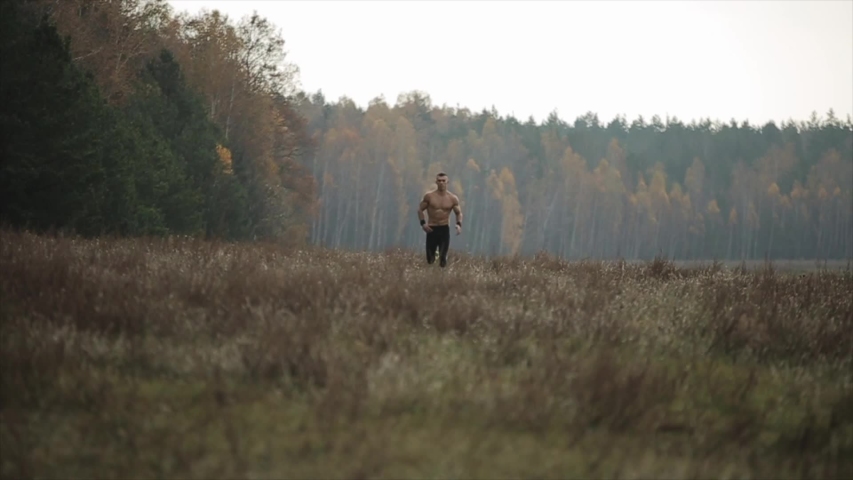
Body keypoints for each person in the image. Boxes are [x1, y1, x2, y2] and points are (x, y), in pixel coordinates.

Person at [417, 172, 463, 267]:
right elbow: (420, 210)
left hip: (444, 229)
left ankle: (442, 276)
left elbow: (458, 213)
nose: (441, 183)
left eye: (443, 181)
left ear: (447, 182)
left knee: (443, 257)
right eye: (439, 181)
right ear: (436, 182)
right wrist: (423, 224)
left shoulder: (452, 198)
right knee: (430, 259)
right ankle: (431, 276)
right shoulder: (429, 196)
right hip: (431, 229)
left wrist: (459, 224)